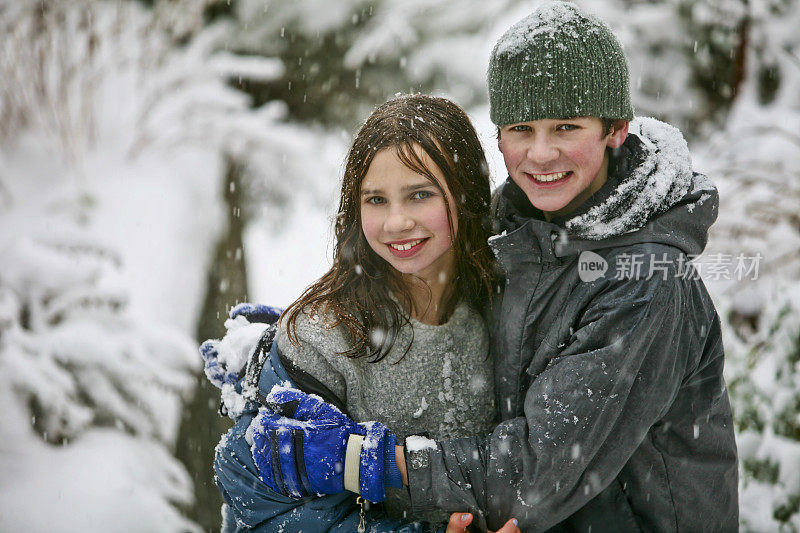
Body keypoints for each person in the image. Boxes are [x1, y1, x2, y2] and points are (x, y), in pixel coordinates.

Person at [256, 2, 740, 531]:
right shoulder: (509, 232)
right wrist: (281, 358)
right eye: (520, 128)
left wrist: (370, 463)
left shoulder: (645, 283)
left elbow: (534, 472)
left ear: (615, 130)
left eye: (566, 127)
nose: (540, 154)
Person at [207, 94, 521, 532]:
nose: (396, 222)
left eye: (419, 195)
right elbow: (262, 507)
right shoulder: (321, 337)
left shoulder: (503, 303)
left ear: (466, 194)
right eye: (376, 200)